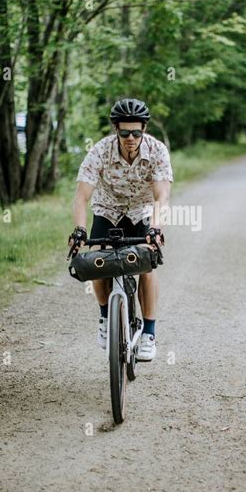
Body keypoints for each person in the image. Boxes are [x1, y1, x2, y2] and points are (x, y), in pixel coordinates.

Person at [68, 98, 173, 361]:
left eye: (136, 132)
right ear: (116, 129)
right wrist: (80, 230)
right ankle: (105, 315)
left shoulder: (157, 151)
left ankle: (149, 333)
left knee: (147, 262)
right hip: (107, 210)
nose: (131, 138)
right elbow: (81, 196)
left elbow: (161, 197)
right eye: (125, 132)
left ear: (144, 130)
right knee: (98, 261)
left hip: (141, 212)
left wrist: (156, 229)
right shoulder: (100, 151)